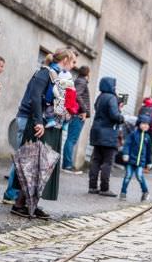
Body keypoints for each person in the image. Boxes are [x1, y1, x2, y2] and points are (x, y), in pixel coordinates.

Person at [10, 48, 77, 218]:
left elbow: (63, 103)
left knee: (45, 165)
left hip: (54, 126)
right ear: (66, 59)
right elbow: (35, 98)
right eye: (73, 61)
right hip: (40, 125)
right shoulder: (44, 73)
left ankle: (33, 205)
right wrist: (39, 121)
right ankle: (19, 204)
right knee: (32, 164)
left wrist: (67, 114)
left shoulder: (63, 77)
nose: (74, 65)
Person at [88, 77, 124, 197]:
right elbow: (114, 115)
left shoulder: (100, 97)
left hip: (96, 132)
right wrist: (121, 116)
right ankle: (104, 188)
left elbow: (98, 110)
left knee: (96, 160)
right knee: (107, 163)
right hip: (108, 134)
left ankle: (92, 187)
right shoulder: (112, 98)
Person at [62, 66, 91, 173]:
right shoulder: (82, 82)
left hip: (77, 114)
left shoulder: (79, 81)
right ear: (88, 73)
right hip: (78, 115)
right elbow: (77, 95)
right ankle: (67, 165)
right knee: (71, 139)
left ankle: (67, 164)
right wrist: (84, 110)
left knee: (71, 139)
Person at [119, 115, 152, 202]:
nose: (145, 126)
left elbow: (149, 151)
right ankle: (123, 193)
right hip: (130, 160)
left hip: (140, 162)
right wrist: (125, 154)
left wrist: (149, 162)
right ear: (139, 124)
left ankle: (145, 192)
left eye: (147, 124)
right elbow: (127, 145)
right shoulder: (133, 134)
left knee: (139, 176)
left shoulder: (147, 137)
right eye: (143, 123)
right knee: (128, 176)